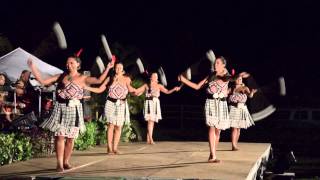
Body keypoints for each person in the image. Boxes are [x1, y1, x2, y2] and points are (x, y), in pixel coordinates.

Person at [28, 54, 113, 172]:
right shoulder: (61, 76)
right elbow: (43, 81)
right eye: (67, 63)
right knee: (60, 136)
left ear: (78, 64)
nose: (68, 65)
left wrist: (108, 68)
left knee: (70, 138)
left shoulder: (83, 78)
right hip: (60, 108)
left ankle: (66, 161)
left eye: (71, 63)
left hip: (75, 109)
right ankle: (59, 164)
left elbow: (99, 80)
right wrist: (33, 67)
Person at [179, 56, 231, 163]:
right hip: (211, 103)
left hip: (221, 105)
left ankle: (212, 154)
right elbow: (197, 86)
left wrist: (226, 72)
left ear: (223, 65)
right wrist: (184, 79)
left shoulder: (227, 75)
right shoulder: (210, 75)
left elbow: (229, 78)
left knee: (218, 131)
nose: (215, 65)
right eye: (215, 63)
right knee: (211, 128)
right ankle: (213, 155)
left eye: (217, 63)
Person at [84, 62, 137, 155]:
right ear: (114, 69)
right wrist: (88, 88)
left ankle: (115, 148)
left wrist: (136, 91)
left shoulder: (126, 79)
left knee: (118, 126)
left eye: (120, 68)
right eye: (116, 68)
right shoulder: (110, 78)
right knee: (110, 126)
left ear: (123, 70)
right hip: (110, 103)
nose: (118, 69)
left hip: (121, 104)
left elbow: (131, 89)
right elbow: (100, 89)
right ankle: (109, 148)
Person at [135, 72, 180, 144]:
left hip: (155, 103)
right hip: (149, 103)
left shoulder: (159, 86)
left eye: (156, 76)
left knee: (152, 121)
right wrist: (135, 92)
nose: (155, 77)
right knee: (150, 121)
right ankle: (151, 139)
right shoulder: (147, 85)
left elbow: (167, 91)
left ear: (157, 79)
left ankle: (148, 138)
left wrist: (174, 89)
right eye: (153, 76)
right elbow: (138, 91)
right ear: (151, 77)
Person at [228, 73, 257, 151]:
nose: (239, 80)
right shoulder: (231, 88)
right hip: (233, 108)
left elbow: (250, 96)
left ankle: (235, 144)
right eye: (237, 79)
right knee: (234, 128)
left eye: (240, 79)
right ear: (234, 80)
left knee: (238, 128)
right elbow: (225, 94)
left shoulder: (245, 88)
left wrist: (252, 93)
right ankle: (233, 145)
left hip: (242, 109)